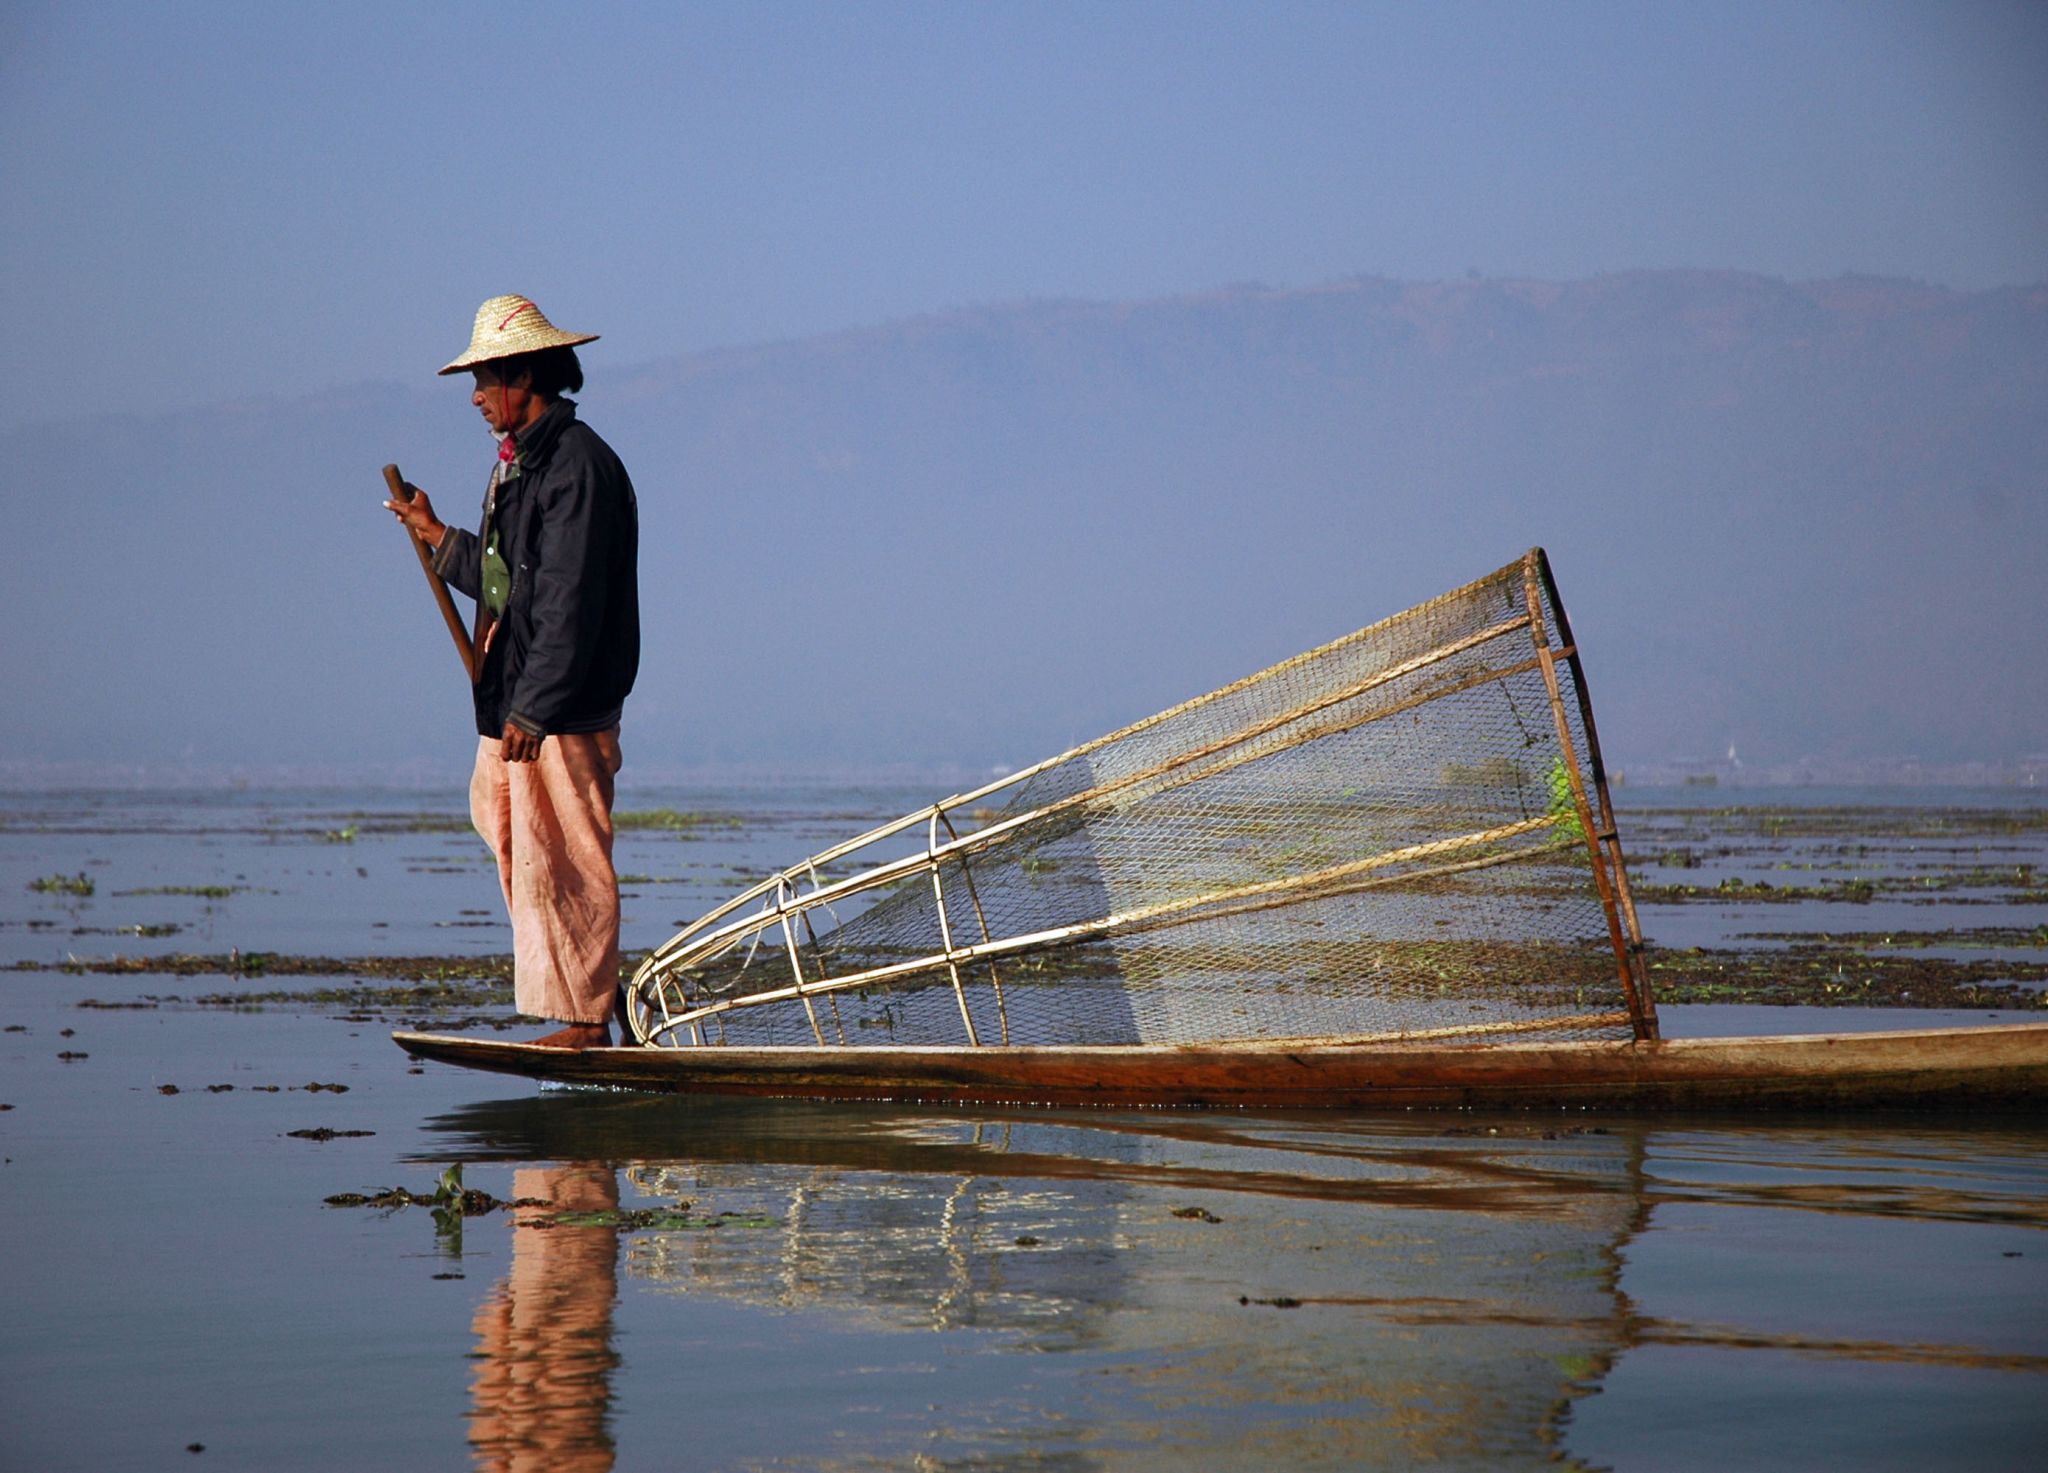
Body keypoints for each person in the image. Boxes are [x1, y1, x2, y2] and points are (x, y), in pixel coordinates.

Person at [384, 294, 640, 1049]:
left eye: (485, 379)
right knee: (512, 833)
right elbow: (508, 587)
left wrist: (535, 709)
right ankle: (583, 996)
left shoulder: (577, 466)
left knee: (566, 854)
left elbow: (568, 604)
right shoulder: (518, 469)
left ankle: (587, 1019)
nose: (475, 396)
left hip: (561, 707)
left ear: (525, 374)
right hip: (516, 698)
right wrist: (436, 536)